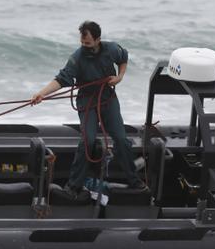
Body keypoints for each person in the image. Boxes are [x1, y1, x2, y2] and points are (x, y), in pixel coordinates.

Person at [31, 21, 145, 195]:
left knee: (121, 139)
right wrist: (41, 93)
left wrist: (120, 77)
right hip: (87, 101)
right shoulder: (77, 57)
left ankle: (134, 181)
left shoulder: (111, 49)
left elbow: (124, 58)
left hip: (107, 99)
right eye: (82, 43)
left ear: (98, 39)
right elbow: (62, 79)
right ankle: (73, 185)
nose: (84, 46)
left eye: (88, 43)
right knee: (88, 141)